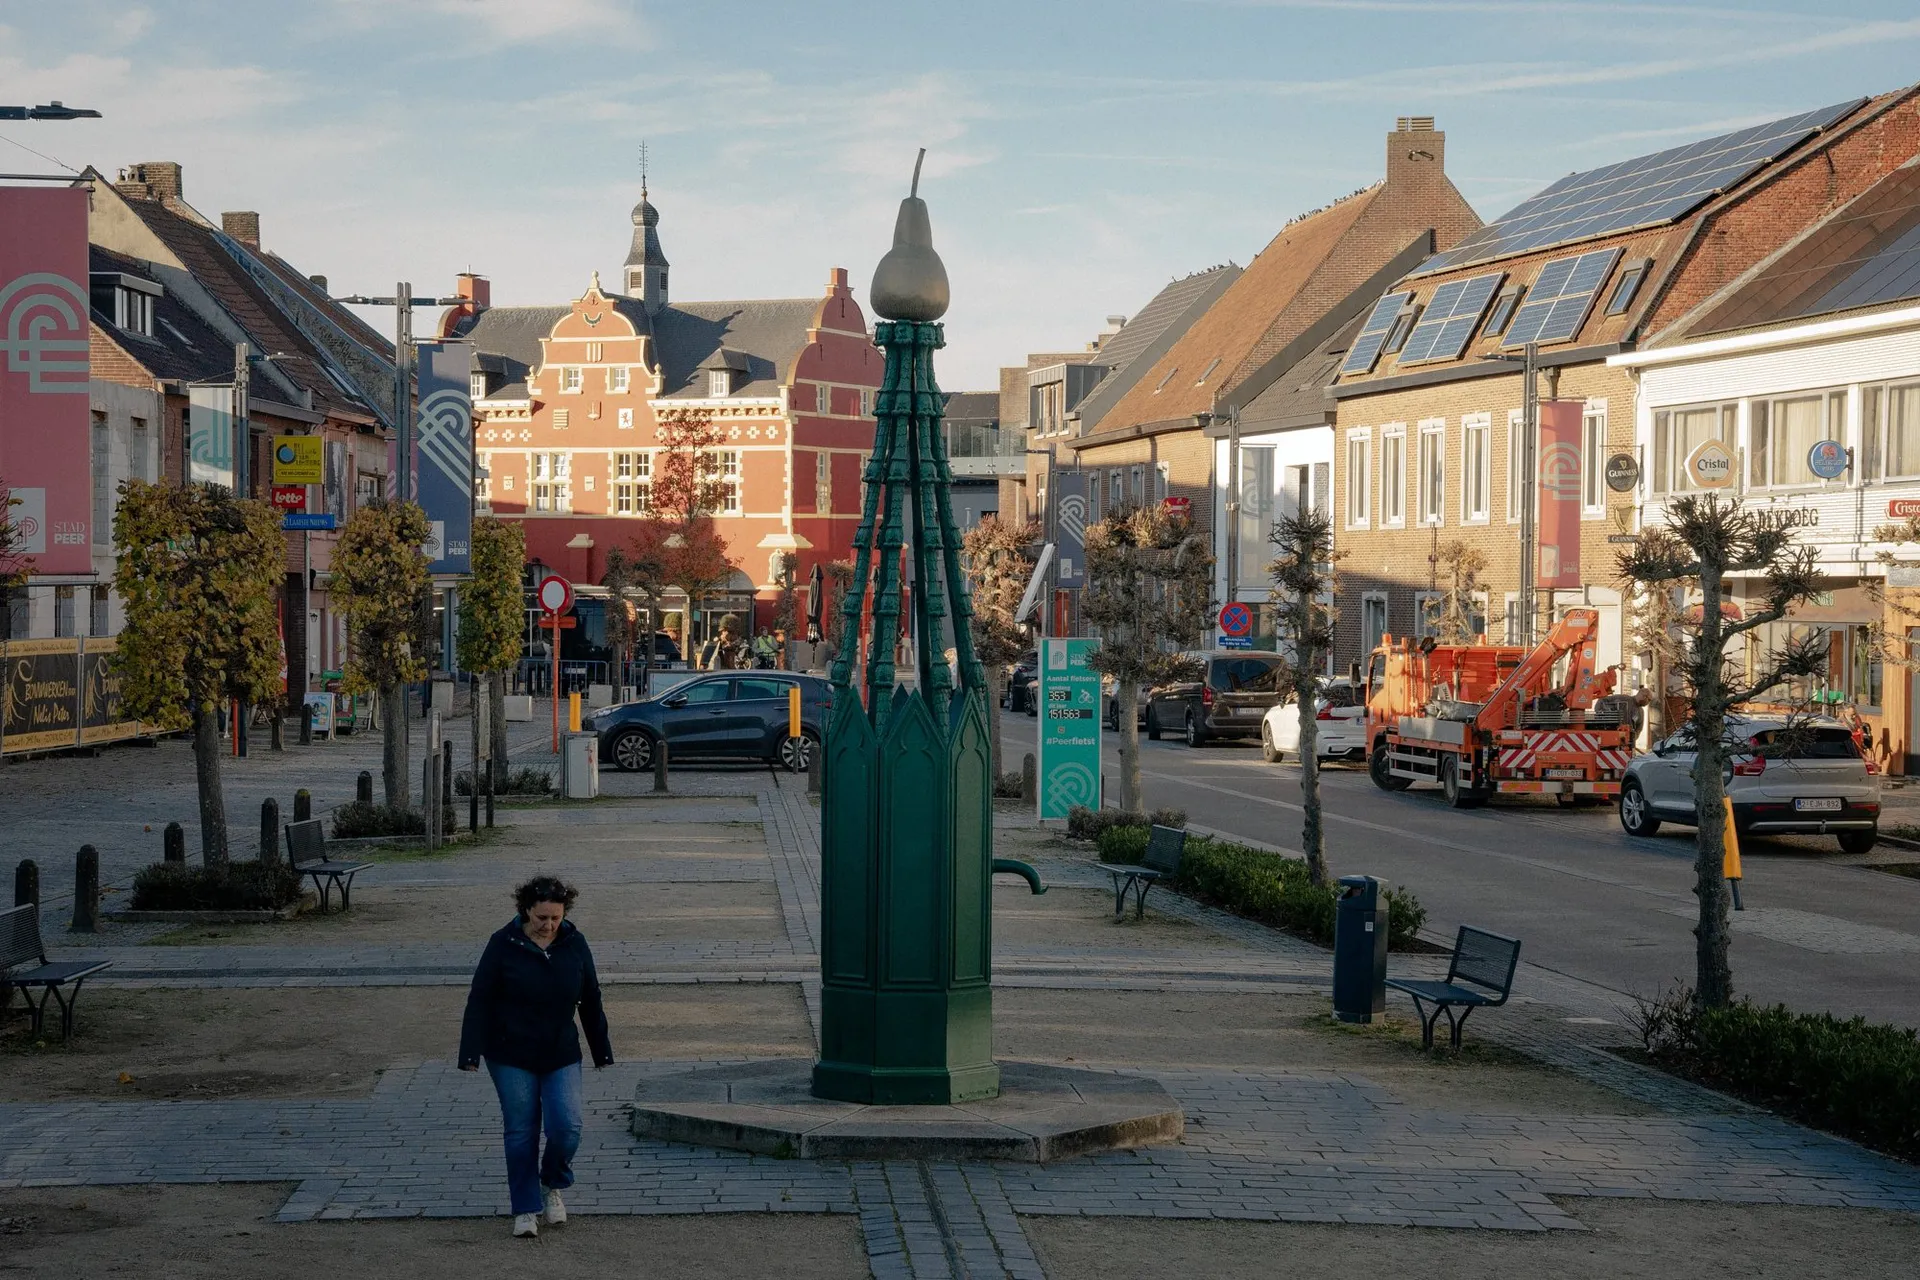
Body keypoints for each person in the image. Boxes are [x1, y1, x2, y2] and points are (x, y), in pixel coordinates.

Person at [459, 875, 614, 1239]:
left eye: (555, 918)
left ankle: (552, 1183)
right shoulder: (503, 944)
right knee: (520, 1132)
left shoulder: (574, 944)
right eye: (542, 918)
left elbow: (591, 997)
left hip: (560, 1051)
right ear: (527, 910)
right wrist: (470, 1052)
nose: (548, 926)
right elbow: (479, 998)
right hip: (510, 1052)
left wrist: (601, 1049)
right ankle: (526, 1208)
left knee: (567, 1127)